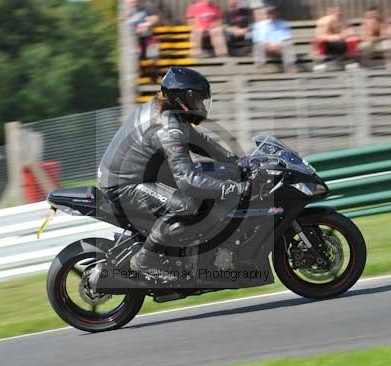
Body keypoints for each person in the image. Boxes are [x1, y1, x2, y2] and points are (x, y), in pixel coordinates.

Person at [98, 67, 248, 276]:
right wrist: (232, 188)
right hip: (124, 185)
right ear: (183, 98)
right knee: (186, 204)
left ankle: (190, 249)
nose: (202, 105)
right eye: (198, 100)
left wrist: (239, 162)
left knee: (210, 177)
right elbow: (188, 180)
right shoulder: (167, 127)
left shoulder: (171, 114)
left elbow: (200, 141)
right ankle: (144, 260)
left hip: (141, 174)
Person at [252, 6, 297, 73]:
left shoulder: (283, 23)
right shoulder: (259, 25)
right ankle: (260, 69)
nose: (271, 15)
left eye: (273, 13)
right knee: (258, 46)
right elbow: (258, 40)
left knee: (288, 44)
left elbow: (286, 38)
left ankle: (289, 67)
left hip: (279, 48)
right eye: (269, 13)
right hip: (266, 48)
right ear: (266, 14)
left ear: (276, 13)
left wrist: (277, 46)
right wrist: (268, 46)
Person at [314, 5, 359, 70]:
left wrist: (343, 35)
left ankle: (351, 62)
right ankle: (320, 63)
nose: (338, 13)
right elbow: (321, 35)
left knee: (352, 40)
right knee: (319, 42)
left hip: (342, 44)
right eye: (336, 11)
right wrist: (337, 36)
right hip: (329, 44)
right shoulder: (325, 22)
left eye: (339, 11)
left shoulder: (345, 22)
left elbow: (350, 33)